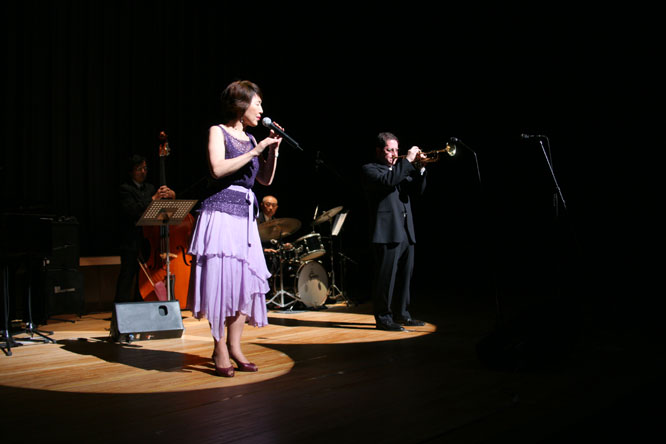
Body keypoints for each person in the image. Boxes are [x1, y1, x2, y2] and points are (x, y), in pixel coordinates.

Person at [187, 80, 282, 377]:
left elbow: (264, 180)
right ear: (241, 105)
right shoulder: (218, 131)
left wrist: (272, 151)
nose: (262, 110)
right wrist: (256, 152)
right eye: (258, 103)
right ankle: (220, 347)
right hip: (220, 213)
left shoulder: (253, 139)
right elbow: (217, 169)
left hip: (244, 216)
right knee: (221, 281)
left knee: (244, 282)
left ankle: (236, 346)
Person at [361, 132, 427, 331]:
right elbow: (388, 182)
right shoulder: (370, 170)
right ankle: (383, 318)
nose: (395, 154)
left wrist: (421, 169)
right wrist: (407, 161)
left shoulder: (400, 170)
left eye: (397, 150)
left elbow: (416, 191)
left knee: (405, 276)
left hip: (406, 230)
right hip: (387, 232)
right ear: (378, 151)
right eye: (390, 150)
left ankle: (402, 314)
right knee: (386, 277)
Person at [115, 155, 175, 303]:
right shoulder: (125, 189)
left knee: (144, 279)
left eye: (145, 168)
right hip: (130, 240)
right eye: (139, 169)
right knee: (127, 275)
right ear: (131, 171)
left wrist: (171, 197)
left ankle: (142, 305)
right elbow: (132, 211)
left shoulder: (150, 188)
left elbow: (162, 213)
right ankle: (120, 308)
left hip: (148, 241)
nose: (143, 172)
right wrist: (153, 199)